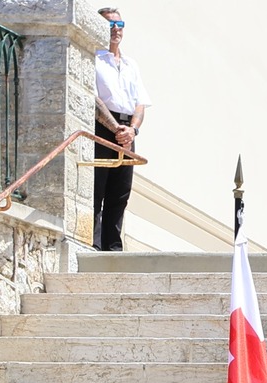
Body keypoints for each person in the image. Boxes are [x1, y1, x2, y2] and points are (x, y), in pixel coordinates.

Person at [91, 9, 149, 252]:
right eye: (110, 25)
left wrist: (132, 131)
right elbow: (93, 97)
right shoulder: (93, 57)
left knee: (120, 191)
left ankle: (113, 247)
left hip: (128, 131)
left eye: (119, 24)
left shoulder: (130, 64)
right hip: (104, 127)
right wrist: (115, 128)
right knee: (97, 187)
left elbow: (140, 102)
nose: (116, 29)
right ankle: (93, 243)